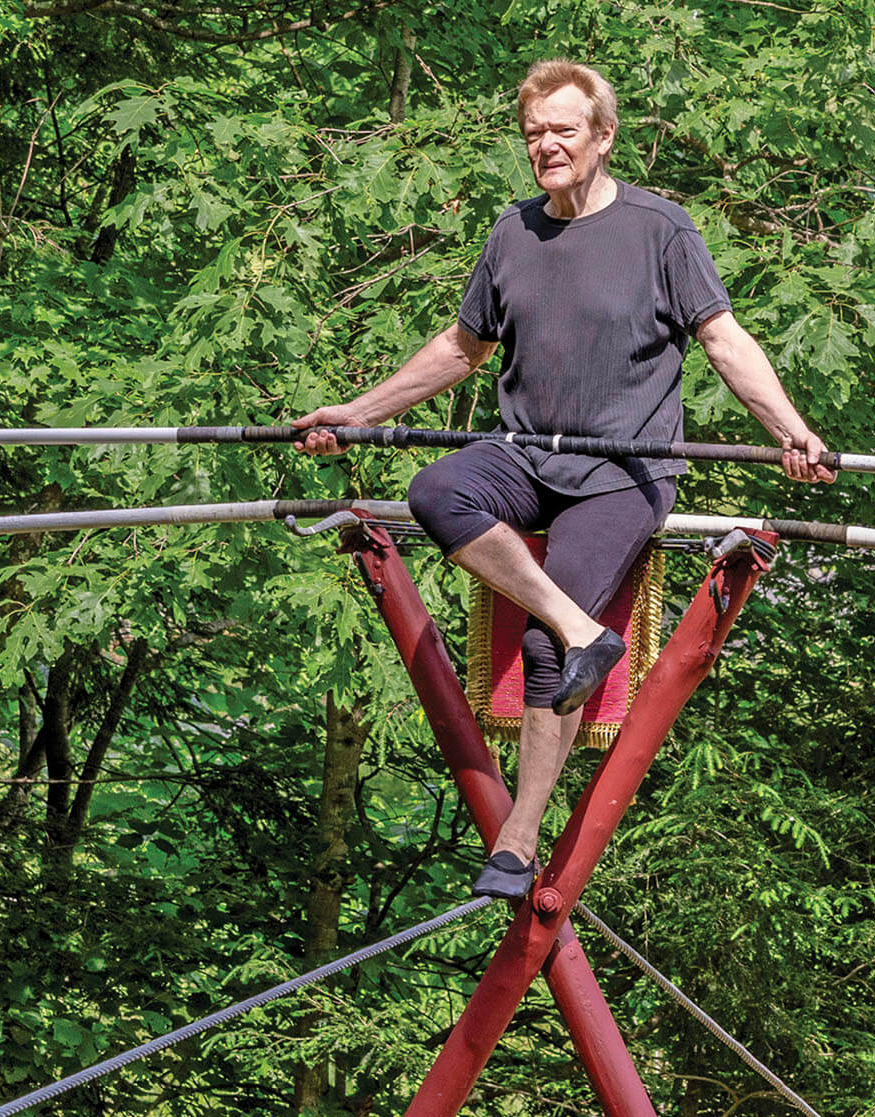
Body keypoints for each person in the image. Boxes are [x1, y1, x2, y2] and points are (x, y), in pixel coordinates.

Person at [294, 60, 836, 900]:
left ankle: (518, 837)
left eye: (563, 130)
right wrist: (359, 411)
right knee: (439, 490)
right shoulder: (512, 233)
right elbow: (462, 349)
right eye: (534, 132)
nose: (546, 144)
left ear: (603, 137)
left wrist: (793, 433)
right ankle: (582, 626)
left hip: (623, 473)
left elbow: (726, 342)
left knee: (547, 646)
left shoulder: (663, 230)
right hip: (527, 455)